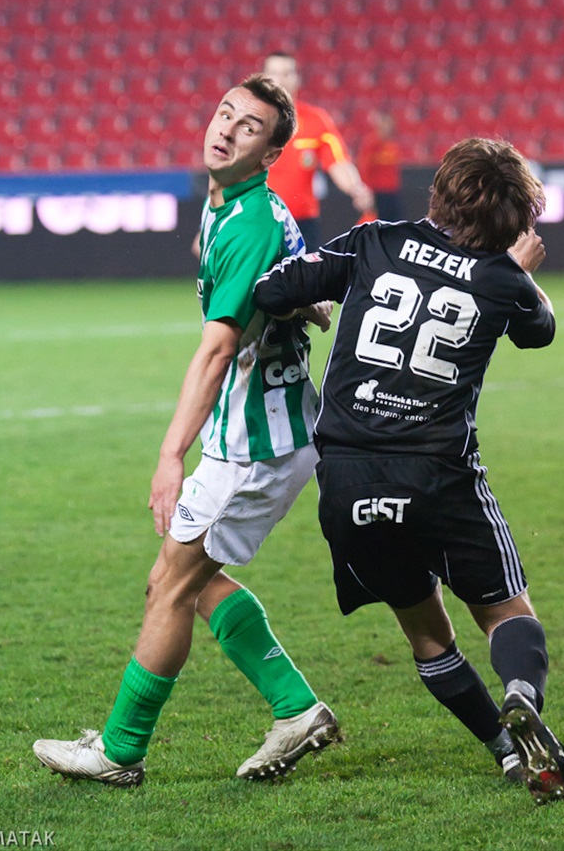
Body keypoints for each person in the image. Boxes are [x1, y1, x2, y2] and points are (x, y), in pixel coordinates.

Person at [33, 76, 340, 786]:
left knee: (168, 587)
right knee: (186, 581)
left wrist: (171, 454)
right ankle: (296, 706)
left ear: (270, 153)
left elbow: (217, 349)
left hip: (257, 445)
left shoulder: (251, 220)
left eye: (249, 126)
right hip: (257, 432)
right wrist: (302, 303)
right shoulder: (228, 203)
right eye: (225, 113)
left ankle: (120, 752)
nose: (226, 129)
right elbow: (290, 284)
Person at [254, 138, 564, 804]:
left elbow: (272, 289)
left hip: (348, 479)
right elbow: (539, 330)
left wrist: (309, 307)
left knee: (427, 633)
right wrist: (519, 270)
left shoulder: (372, 243)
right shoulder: (503, 278)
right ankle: (521, 693)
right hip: (439, 474)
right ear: (514, 220)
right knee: (506, 612)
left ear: (437, 192)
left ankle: (504, 751)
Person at [262, 51, 374, 250]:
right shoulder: (251, 121)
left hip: (302, 225)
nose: (280, 80)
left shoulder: (316, 120)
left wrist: (356, 188)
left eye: (287, 73)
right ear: (263, 79)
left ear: (297, 78)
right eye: (274, 73)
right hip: (260, 221)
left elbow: (339, 162)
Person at [356, 109, 405, 222]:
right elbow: (364, 167)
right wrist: (367, 189)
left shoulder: (393, 144)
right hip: (378, 192)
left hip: (392, 191)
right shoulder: (371, 143)